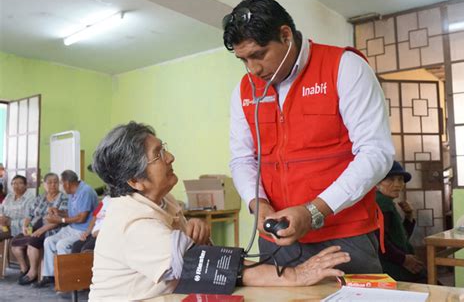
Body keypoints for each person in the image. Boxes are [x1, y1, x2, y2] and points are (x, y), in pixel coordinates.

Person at [224, 0, 394, 273]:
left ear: (285, 34)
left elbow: (376, 153)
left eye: (258, 55)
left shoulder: (344, 67)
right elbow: (242, 159)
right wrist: (258, 204)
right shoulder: (244, 90)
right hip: (276, 238)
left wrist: (314, 211)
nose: (253, 69)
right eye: (243, 60)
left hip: (343, 235)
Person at [89, 121, 350, 301]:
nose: (170, 157)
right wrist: (295, 275)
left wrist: (197, 246)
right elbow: (210, 268)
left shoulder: (163, 202)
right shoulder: (132, 224)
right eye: (158, 155)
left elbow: (204, 260)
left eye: (164, 148)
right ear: (135, 181)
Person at [34, 170, 98, 288]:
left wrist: (60, 220)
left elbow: (81, 218)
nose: (61, 187)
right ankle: (50, 276)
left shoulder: (85, 191)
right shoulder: (71, 193)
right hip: (72, 228)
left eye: (61, 183)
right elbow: (71, 213)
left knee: (61, 244)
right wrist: (58, 212)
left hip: (83, 230)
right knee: (49, 241)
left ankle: (67, 279)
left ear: (67, 183)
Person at [10, 173, 68, 285]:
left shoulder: (63, 198)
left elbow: (59, 220)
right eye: (49, 182)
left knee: (33, 243)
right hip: (34, 227)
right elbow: (29, 215)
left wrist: (40, 230)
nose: (53, 185)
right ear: (44, 184)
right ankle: (24, 268)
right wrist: (25, 226)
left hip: (50, 229)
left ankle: (33, 273)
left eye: (56, 182)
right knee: (15, 244)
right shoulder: (40, 198)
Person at [376, 161, 426, 283]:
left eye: (400, 179)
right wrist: (403, 259)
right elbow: (380, 242)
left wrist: (409, 216)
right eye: (390, 179)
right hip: (390, 268)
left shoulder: (386, 202)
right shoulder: (382, 202)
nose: (397, 184)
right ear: (376, 182)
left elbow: (400, 237)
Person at [0, 175, 35, 241]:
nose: (16, 186)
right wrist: (2, 218)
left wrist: (10, 222)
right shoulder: (9, 196)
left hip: (17, 230)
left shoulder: (30, 199)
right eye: (14, 183)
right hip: (3, 226)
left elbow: (29, 220)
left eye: (20, 183)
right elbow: (1, 208)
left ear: (26, 185)